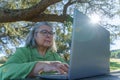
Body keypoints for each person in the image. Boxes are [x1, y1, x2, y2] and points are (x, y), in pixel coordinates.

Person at [0, 22, 69, 80]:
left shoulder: (55, 56)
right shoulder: (23, 52)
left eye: (51, 33)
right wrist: (38, 66)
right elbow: (3, 71)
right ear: (34, 35)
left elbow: (68, 72)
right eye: (44, 32)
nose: (49, 35)